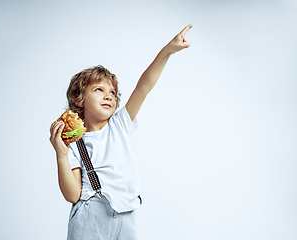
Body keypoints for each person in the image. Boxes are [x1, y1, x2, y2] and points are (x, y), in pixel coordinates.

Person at [49, 24, 192, 240]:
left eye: (113, 92)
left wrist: (168, 50)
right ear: (79, 98)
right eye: (99, 89)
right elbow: (72, 195)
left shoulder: (121, 124)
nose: (109, 96)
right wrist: (61, 154)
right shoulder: (74, 143)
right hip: (90, 216)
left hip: (126, 214)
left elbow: (144, 86)